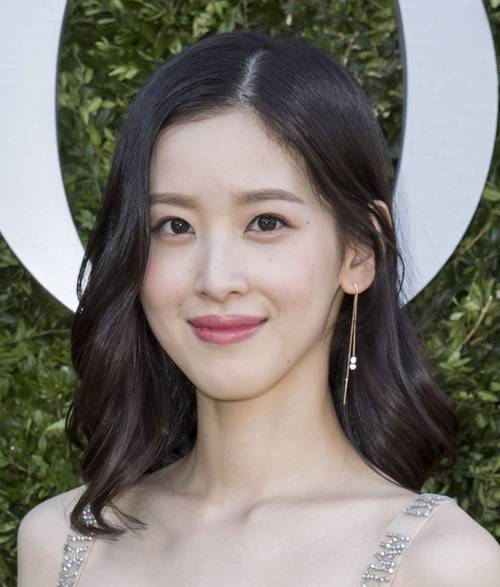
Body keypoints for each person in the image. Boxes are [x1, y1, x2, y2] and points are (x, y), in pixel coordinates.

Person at [17, 29, 500, 586]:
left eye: (266, 222)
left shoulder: (443, 564)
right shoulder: (62, 541)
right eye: (174, 225)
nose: (216, 279)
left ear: (359, 251)